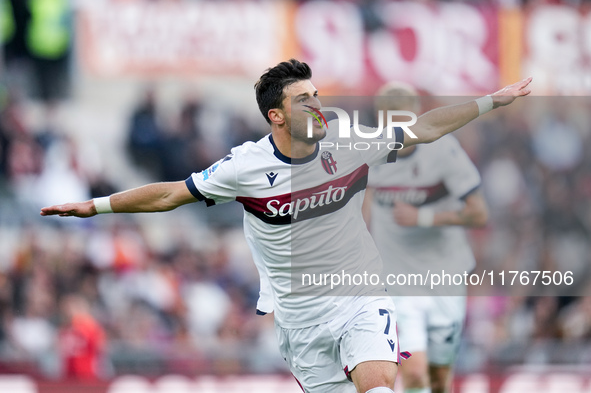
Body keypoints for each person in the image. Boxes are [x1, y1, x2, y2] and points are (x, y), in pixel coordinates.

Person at [41, 59, 532, 393]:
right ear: (276, 116)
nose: (318, 105)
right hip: (299, 322)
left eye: (316, 95)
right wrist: (97, 206)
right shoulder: (244, 168)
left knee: (380, 387)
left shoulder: (350, 140)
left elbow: (423, 127)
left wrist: (490, 100)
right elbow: (171, 193)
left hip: (361, 296)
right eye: (304, 100)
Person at [363, 82, 488, 393]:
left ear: (418, 117)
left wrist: (425, 217)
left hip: (445, 275)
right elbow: (361, 208)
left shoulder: (444, 151)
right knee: (415, 373)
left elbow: (479, 214)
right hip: (398, 279)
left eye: (403, 122)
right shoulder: (367, 154)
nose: (397, 131)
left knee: (438, 378)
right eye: (389, 123)